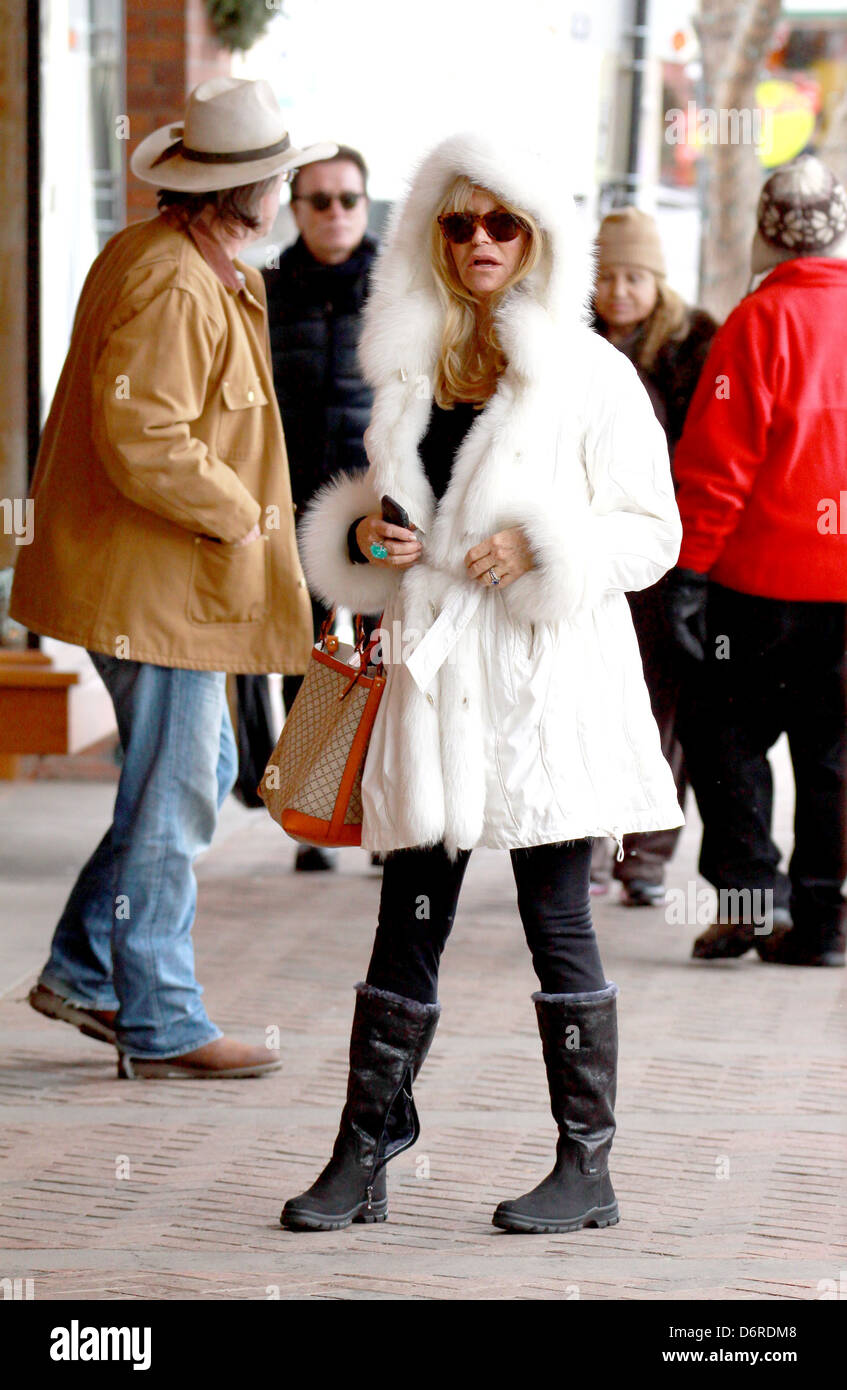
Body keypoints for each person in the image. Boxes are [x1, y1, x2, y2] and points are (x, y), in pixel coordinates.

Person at [277, 132, 684, 1234]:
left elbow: (653, 530)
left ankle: (585, 1167)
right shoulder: (409, 373)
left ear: (538, 237)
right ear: (433, 236)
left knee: (560, 921)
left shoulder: (590, 373)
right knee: (406, 921)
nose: (479, 244)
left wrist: (544, 544)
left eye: (501, 224)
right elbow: (374, 519)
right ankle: (364, 1149)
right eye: (457, 225)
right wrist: (365, 534)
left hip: (543, 690)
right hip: (432, 684)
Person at [10, 78, 336, 1077]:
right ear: (245, 189)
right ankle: (161, 1016)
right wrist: (239, 517)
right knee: (178, 796)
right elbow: (140, 432)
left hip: (162, 588)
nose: (288, 185)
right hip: (159, 593)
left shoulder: (181, 262)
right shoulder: (174, 279)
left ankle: (84, 971)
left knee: (175, 787)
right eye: (278, 174)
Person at [665, 154, 847, 967]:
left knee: (725, 738)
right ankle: (823, 925)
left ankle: (747, 904)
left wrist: (687, 573)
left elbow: (716, 466)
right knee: (834, 757)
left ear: (767, 238)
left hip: (755, 587)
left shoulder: (755, 321)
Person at [590, 208, 717, 905]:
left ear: (657, 281)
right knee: (587, 698)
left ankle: (644, 856)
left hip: (662, 553)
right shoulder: (568, 339)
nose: (618, 290)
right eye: (606, 275)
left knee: (659, 710)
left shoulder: (693, 347)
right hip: (585, 549)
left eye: (634, 276)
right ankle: (581, 844)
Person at [264, 146, 377, 872]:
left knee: (383, 656)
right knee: (302, 654)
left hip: (377, 507)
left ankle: (377, 807)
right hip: (294, 503)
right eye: (320, 200)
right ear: (296, 208)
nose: (335, 212)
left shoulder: (402, 287)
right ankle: (310, 809)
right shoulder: (265, 291)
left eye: (348, 198)